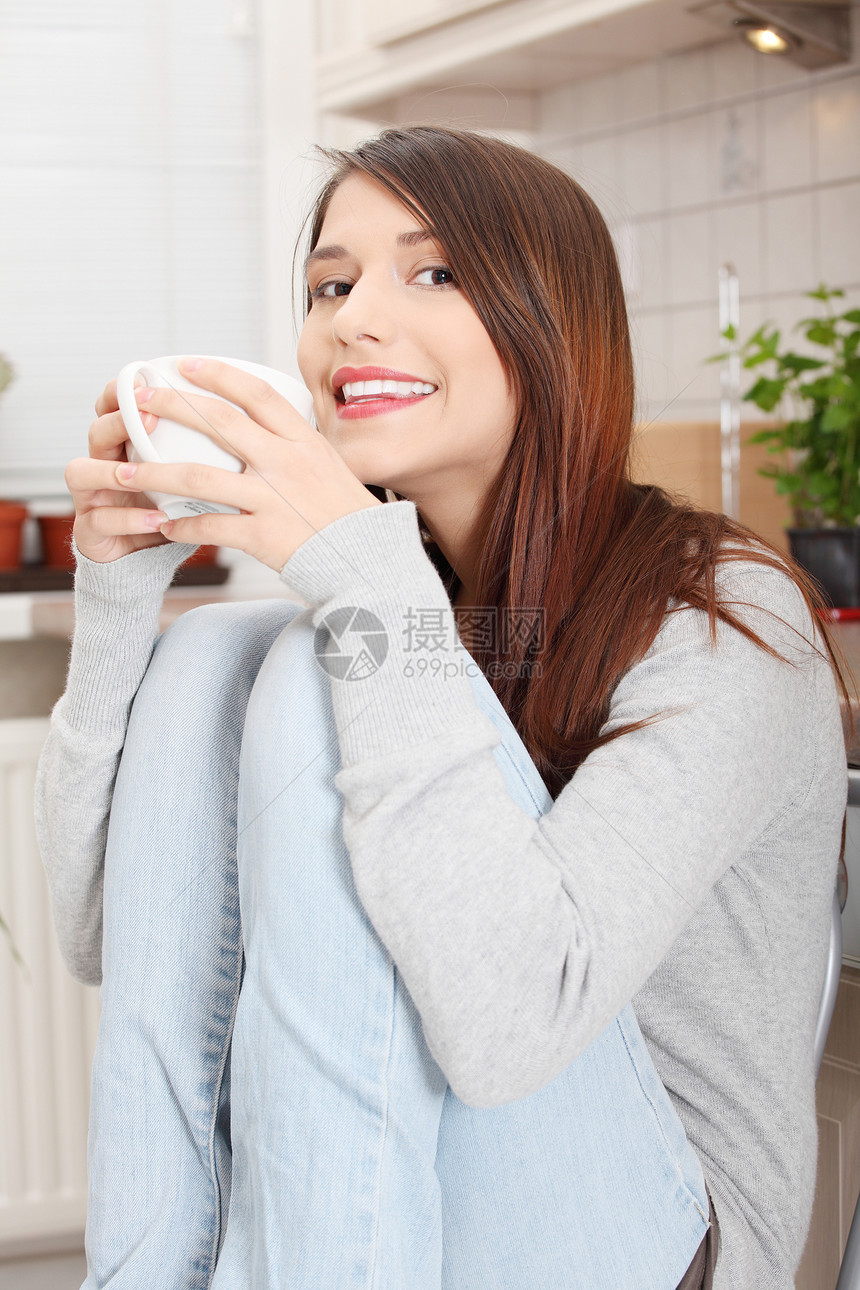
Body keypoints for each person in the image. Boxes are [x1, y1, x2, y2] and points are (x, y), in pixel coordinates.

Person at [35, 125, 848, 1290]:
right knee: (223, 648)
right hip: (417, 1206)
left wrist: (359, 579)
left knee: (324, 669)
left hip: (649, 1233)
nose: (354, 317)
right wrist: (119, 602)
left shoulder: (725, 620)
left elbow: (508, 1028)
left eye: (433, 271)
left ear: (549, 325)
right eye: (330, 283)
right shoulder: (434, 610)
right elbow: (113, 943)